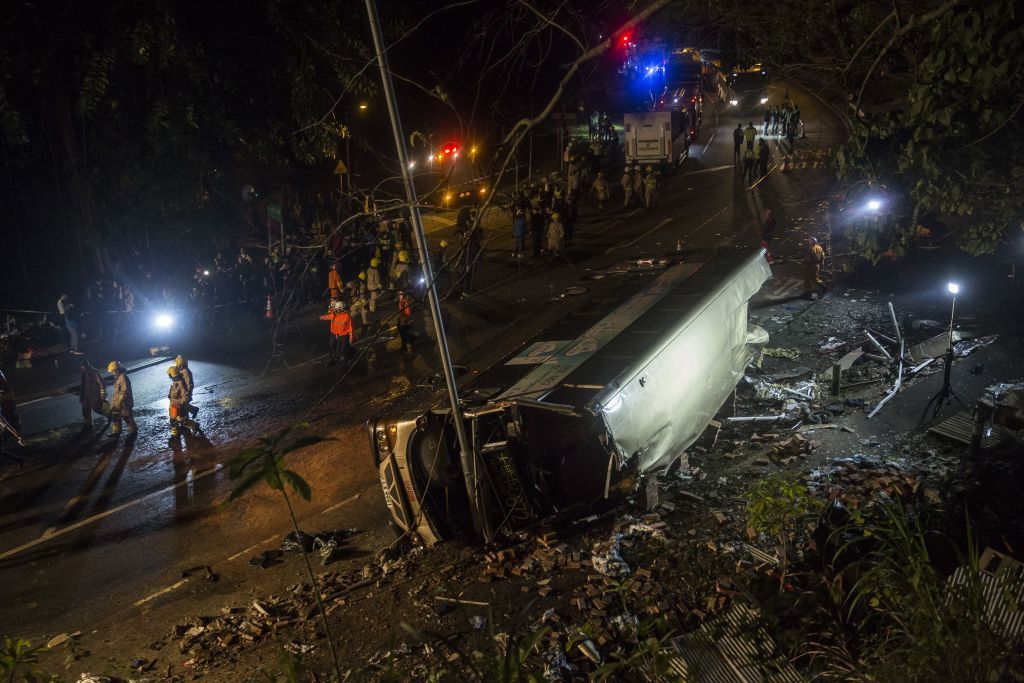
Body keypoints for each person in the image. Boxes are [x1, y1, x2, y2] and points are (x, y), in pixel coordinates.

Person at [319, 300, 355, 365]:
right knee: (337, 348)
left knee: (343, 349)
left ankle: (348, 359)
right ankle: (335, 359)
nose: (335, 309)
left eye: (336, 308)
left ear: (340, 309)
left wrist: (351, 336)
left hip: (344, 335)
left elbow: (350, 327)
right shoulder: (334, 315)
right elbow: (328, 315)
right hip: (337, 334)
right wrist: (321, 317)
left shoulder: (346, 316)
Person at [107, 361, 137, 435]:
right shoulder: (118, 378)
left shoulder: (123, 377)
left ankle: (133, 431)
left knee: (127, 418)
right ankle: (116, 432)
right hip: (119, 403)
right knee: (115, 417)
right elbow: (117, 392)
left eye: (113, 372)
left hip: (125, 404)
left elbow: (125, 391)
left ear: (116, 370)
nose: (112, 373)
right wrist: (115, 403)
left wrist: (119, 402)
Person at [79, 359, 107, 431]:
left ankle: (109, 415)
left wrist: (102, 395)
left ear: (86, 365)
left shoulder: (94, 372)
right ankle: (88, 425)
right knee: (85, 411)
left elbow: (102, 384)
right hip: (86, 397)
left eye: (82, 367)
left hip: (94, 396)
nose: (81, 368)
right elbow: (84, 386)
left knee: (98, 409)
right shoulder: (84, 373)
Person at [167, 366, 190, 437]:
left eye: (170, 375)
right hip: (174, 407)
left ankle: (194, 426)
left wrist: (175, 401)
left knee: (183, 421)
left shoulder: (180, 383)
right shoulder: (175, 382)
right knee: (173, 421)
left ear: (171, 375)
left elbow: (185, 398)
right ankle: (175, 434)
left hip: (179, 407)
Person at [175, 355, 198, 420]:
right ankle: (193, 411)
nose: (176, 364)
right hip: (182, 392)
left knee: (182, 406)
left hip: (185, 392)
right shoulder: (181, 371)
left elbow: (189, 383)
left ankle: (187, 419)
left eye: (177, 362)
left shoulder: (185, 371)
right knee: (182, 406)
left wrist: (188, 394)